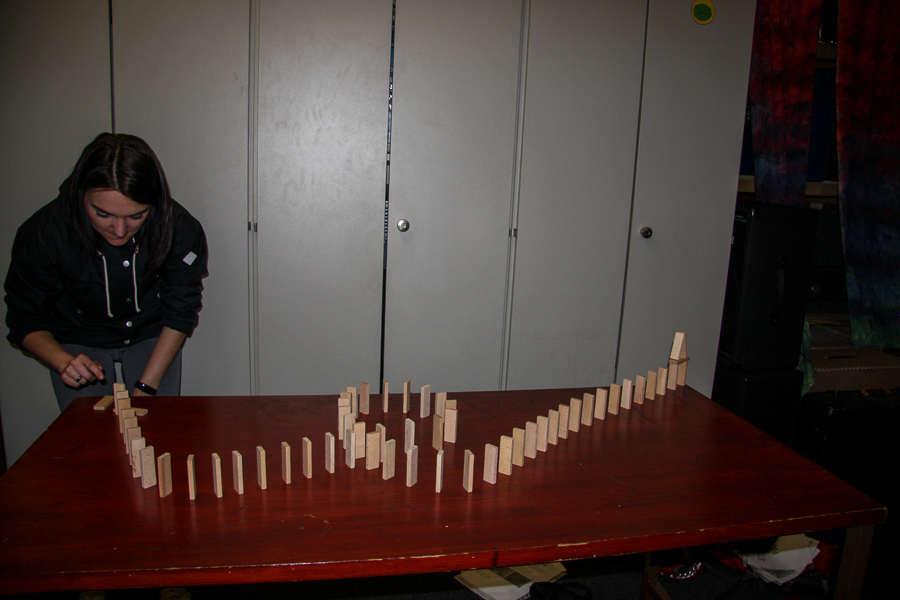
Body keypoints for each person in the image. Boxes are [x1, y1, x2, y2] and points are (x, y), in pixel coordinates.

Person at [4, 133, 208, 411]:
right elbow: (25, 318)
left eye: (136, 216)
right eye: (103, 214)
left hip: (151, 333)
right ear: (81, 195)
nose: (120, 231)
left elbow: (181, 307)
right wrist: (63, 362)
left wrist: (146, 387)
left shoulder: (178, 225)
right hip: (77, 335)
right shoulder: (45, 231)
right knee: (89, 430)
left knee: (156, 425)